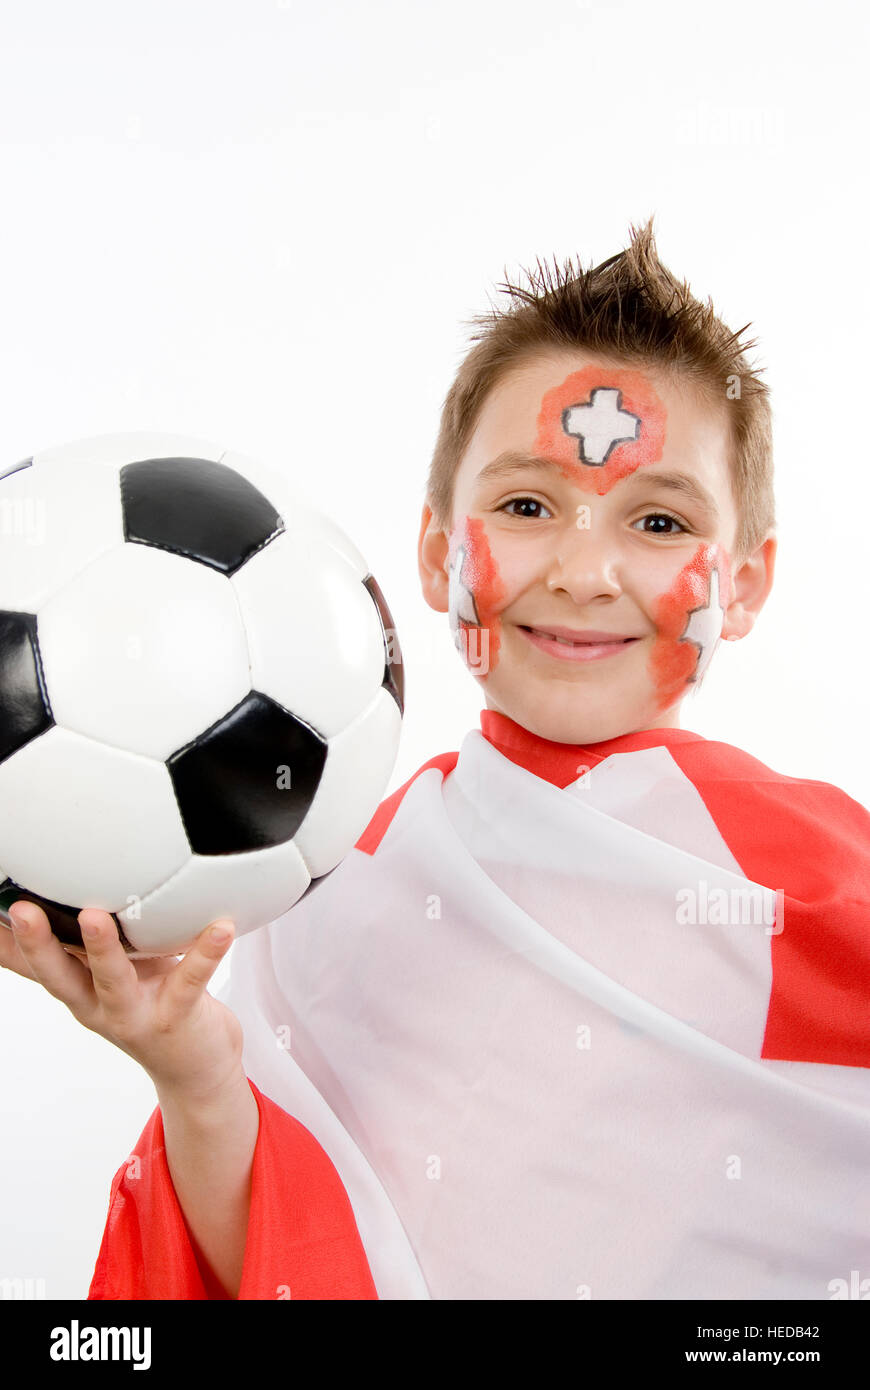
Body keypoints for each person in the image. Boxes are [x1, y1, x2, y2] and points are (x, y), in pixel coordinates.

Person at [3, 218, 868, 1300]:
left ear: (743, 582)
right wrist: (195, 1071)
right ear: (433, 550)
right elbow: (289, 1263)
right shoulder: (329, 876)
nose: (585, 569)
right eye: (525, 505)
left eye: (655, 519)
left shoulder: (816, 877)